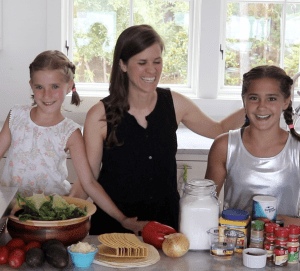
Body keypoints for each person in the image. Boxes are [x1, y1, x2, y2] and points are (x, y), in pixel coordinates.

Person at [70, 24, 245, 235]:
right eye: (142, 63)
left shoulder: (175, 103)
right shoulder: (99, 115)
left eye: (157, 61)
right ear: (123, 65)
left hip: (167, 226)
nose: (152, 70)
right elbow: (89, 179)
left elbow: (220, 129)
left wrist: (257, 104)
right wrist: (61, 216)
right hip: (113, 228)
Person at [0, 50, 143, 232]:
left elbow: (89, 182)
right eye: (39, 87)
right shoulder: (16, 116)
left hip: (50, 218)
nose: (46, 95)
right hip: (11, 213)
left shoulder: (70, 132)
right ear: (31, 85)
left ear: (69, 85)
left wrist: (122, 219)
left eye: (55, 86)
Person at [205, 65, 300, 226]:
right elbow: (204, 207)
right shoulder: (224, 146)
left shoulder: (297, 149)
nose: (262, 106)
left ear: (285, 102)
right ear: (244, 100)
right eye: (254, 98)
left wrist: (278, 221)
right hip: (234, 246)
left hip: (284, 248)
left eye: (271, 98)